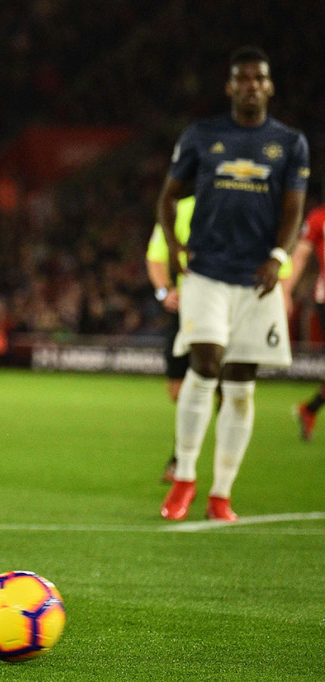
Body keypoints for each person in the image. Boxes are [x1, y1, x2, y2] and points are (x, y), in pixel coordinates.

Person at [157, 46, 309, 523]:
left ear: (269, 86)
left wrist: (278, 256)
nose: (250, 85)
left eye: (258, 78)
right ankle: (184, 477)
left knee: (241, 387)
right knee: (204, 367)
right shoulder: (202, 136)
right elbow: (168, 197)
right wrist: (173, 245)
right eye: (241, 79)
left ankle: (221, 493)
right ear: (230, 87)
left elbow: (292, 207)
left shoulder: (289, 143)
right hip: (206, 272)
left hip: (257, 280)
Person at [145, 195, 196, 483]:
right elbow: (155, 256)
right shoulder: (178, 209)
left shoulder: (237, 199)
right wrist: (165, 291)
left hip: (225, 303)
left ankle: (181, 460)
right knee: (177, 390)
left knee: (226, 389)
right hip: (187, 307)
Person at [281, 201, 325, 440]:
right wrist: (285, 292)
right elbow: (299, 256)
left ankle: (309, 409)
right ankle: (310, 409)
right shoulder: (319, 218)